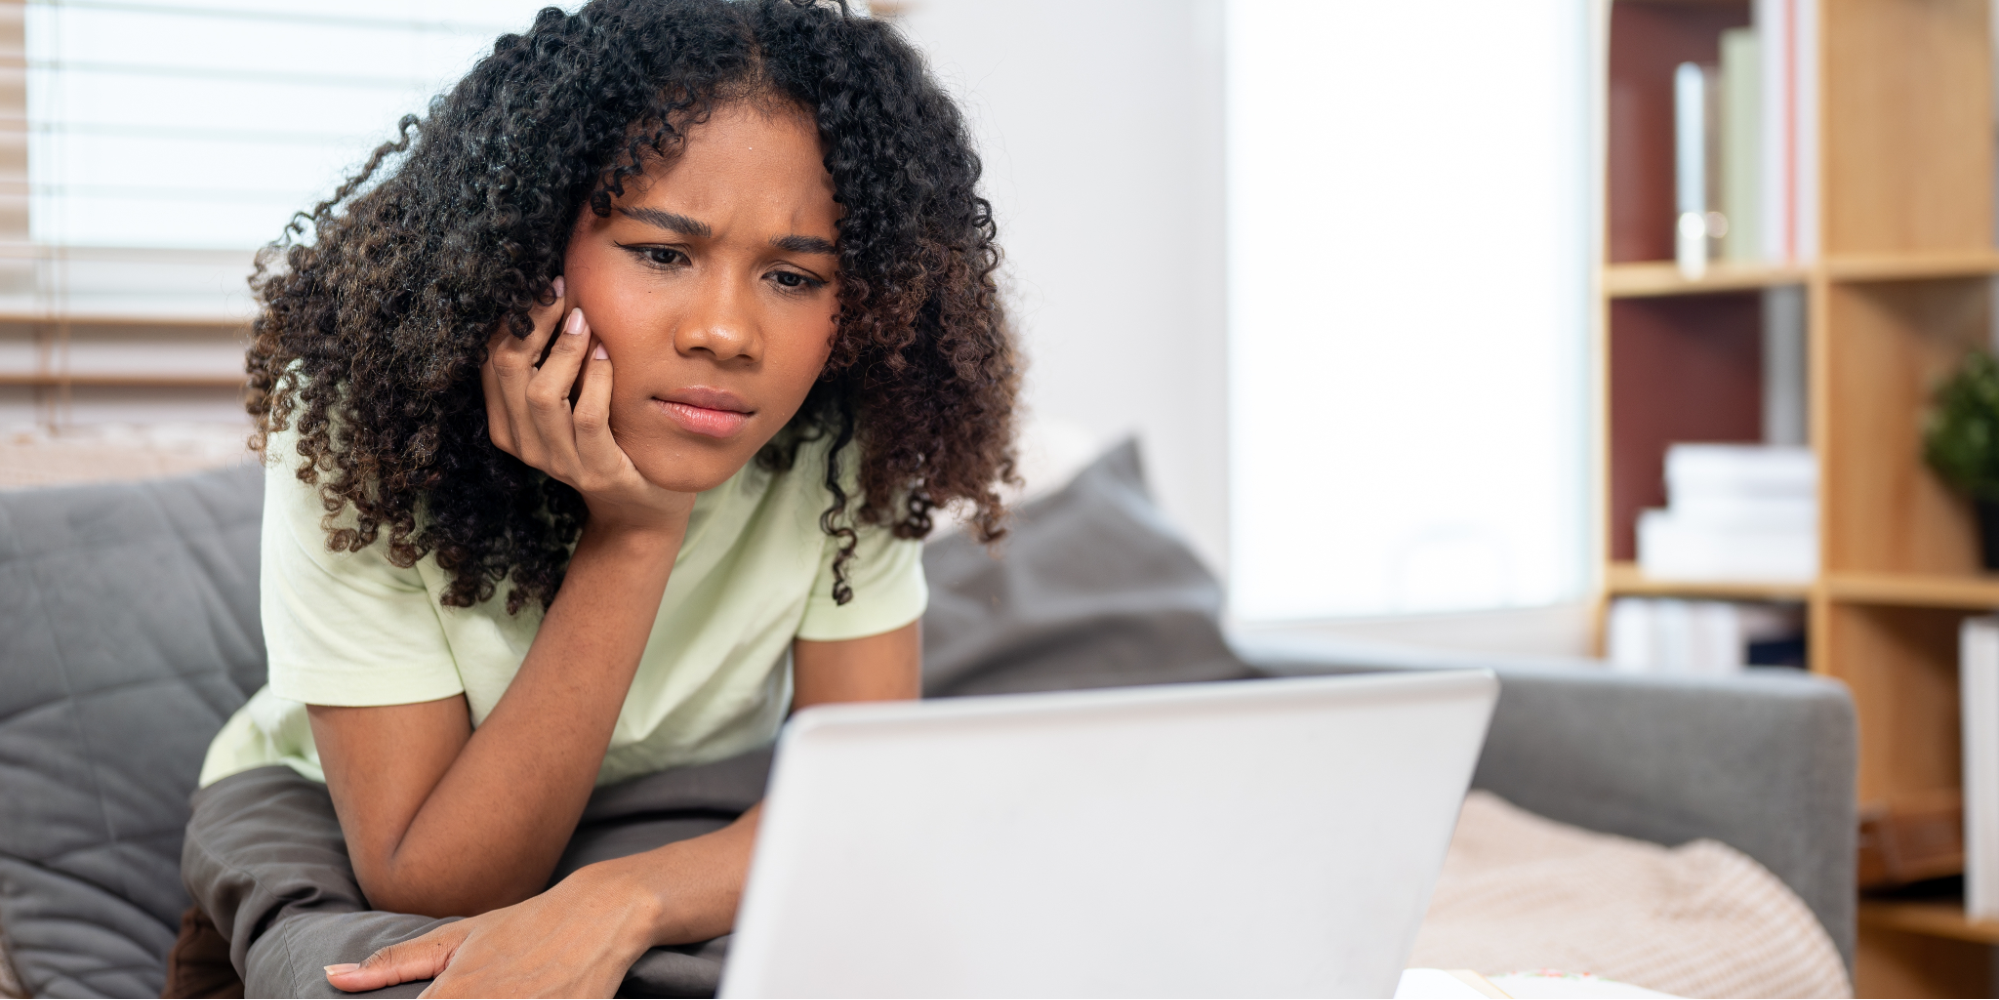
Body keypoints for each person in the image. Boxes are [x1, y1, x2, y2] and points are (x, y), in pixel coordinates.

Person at [169, 1, 1016, 995]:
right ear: (527, 248)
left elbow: (866, 799)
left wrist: (626, 898)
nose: (725, 332)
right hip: (357, 827)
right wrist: (637, 530)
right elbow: (435, 875)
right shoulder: (359, 425)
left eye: (791, 276)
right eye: (662, 254)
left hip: (688, 824)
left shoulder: (851, 439)